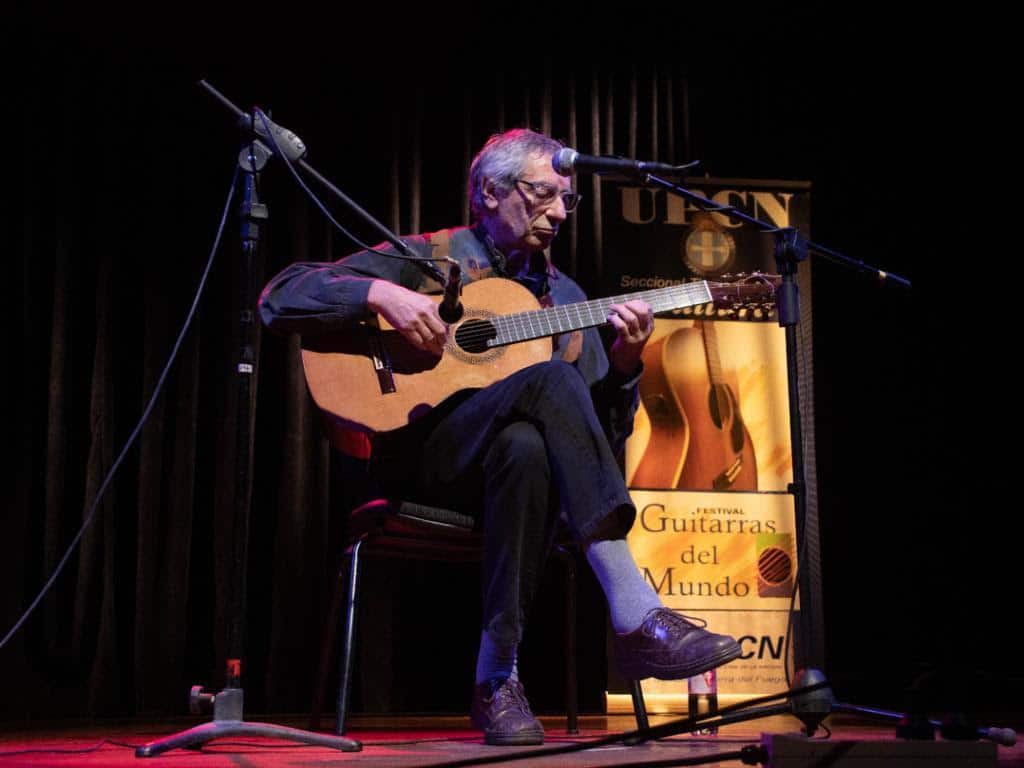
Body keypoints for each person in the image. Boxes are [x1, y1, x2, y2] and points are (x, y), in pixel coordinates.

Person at [258, 128, 741, 746]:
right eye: (544, 195)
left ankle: (497, 683)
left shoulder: (565, 302)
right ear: (490, 191)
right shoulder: (427, 259)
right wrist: (380, 293)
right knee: (547, 388)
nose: (561, 212)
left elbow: (597, 441)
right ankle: (635, 612)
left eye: (568, 200)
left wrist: (624, 364)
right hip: (419, 458)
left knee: (529, 444)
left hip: (518, 487)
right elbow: (280, 296)